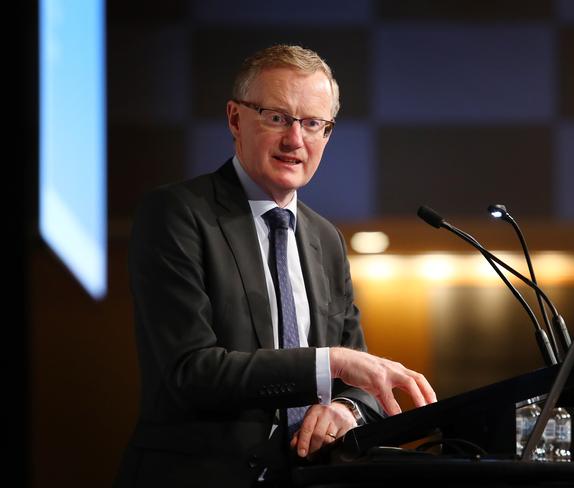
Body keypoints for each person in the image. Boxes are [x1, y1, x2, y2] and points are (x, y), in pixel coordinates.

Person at [114, 44, 436, 488]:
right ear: (235, 119)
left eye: (312, 124)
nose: (295, 140)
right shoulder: (177, 214)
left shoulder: (326, 239)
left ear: (327, 133)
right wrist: (330, 364)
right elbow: (191, 371)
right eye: (277, 117)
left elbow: (358, 377)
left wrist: (345, 409)